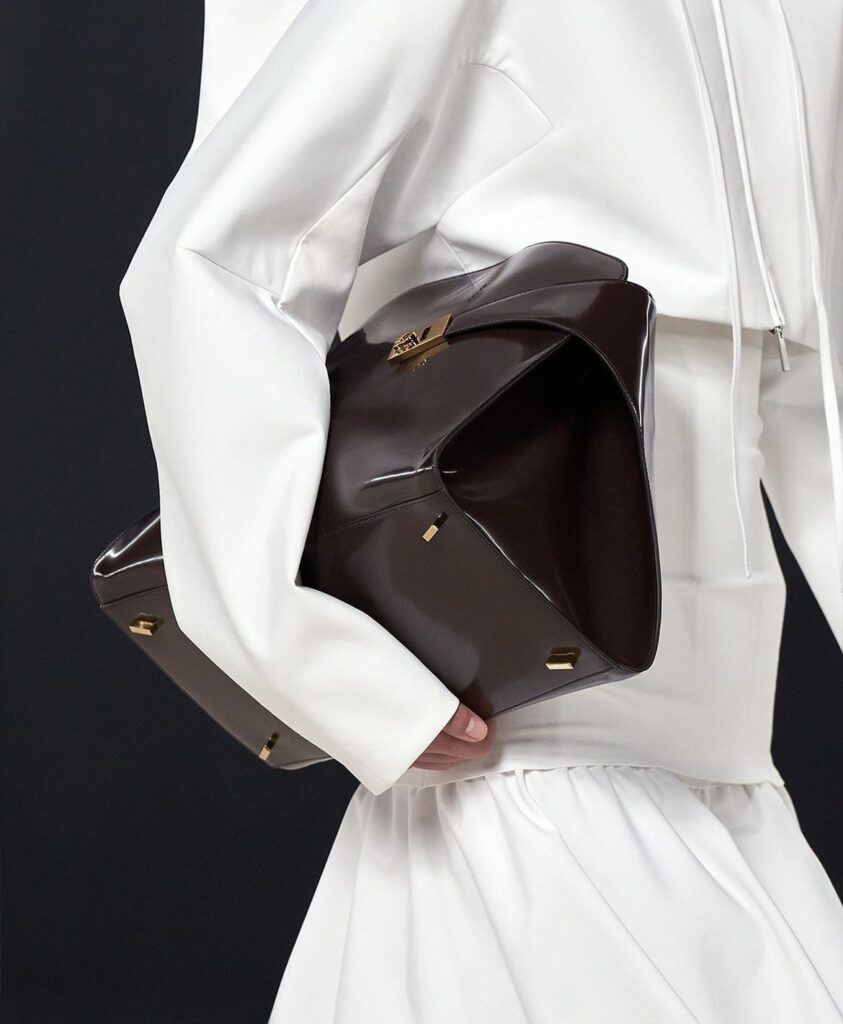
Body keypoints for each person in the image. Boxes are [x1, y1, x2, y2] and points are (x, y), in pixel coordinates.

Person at [118, 0, 843, 1019]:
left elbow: (812, 390)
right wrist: (324, 664)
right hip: (529, 754)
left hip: (730, 771)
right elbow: (212, 256)